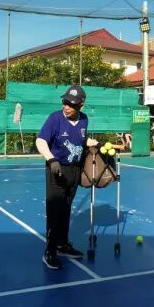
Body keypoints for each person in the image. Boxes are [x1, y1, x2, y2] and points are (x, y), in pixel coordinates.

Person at [35, 84, 99, 270]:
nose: (66, 106)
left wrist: (91, 143)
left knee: (66, 208)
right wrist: (51, 159)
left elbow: (80, 139)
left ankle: (62, 244)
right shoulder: (55, 118)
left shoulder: (84, 120)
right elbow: (40, 140)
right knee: (55, 209)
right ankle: (50, 251)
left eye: (71, 104)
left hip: (74, 170)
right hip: (56, 168)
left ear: (81, 106)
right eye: (65, 102)